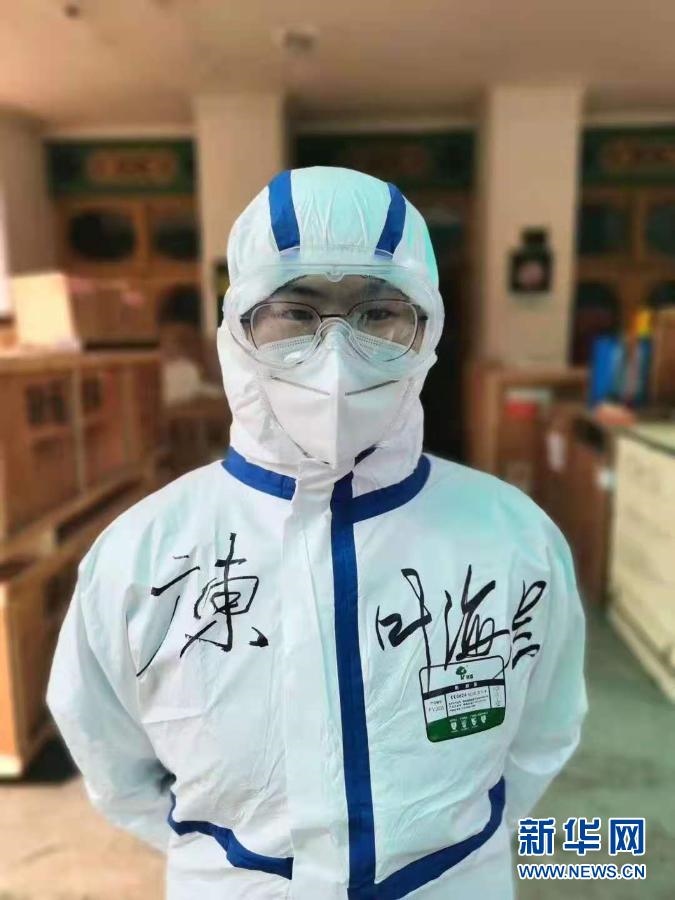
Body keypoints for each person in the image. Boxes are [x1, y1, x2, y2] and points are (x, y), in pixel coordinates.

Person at [47, 166, 587, 899]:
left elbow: (540, 737)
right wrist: (229, 864)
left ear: (427, 331)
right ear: (238, 330)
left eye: (379, 313)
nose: (336, 358)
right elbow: (111, 758)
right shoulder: (141, 555)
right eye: (295, 313)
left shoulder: (514, 539)